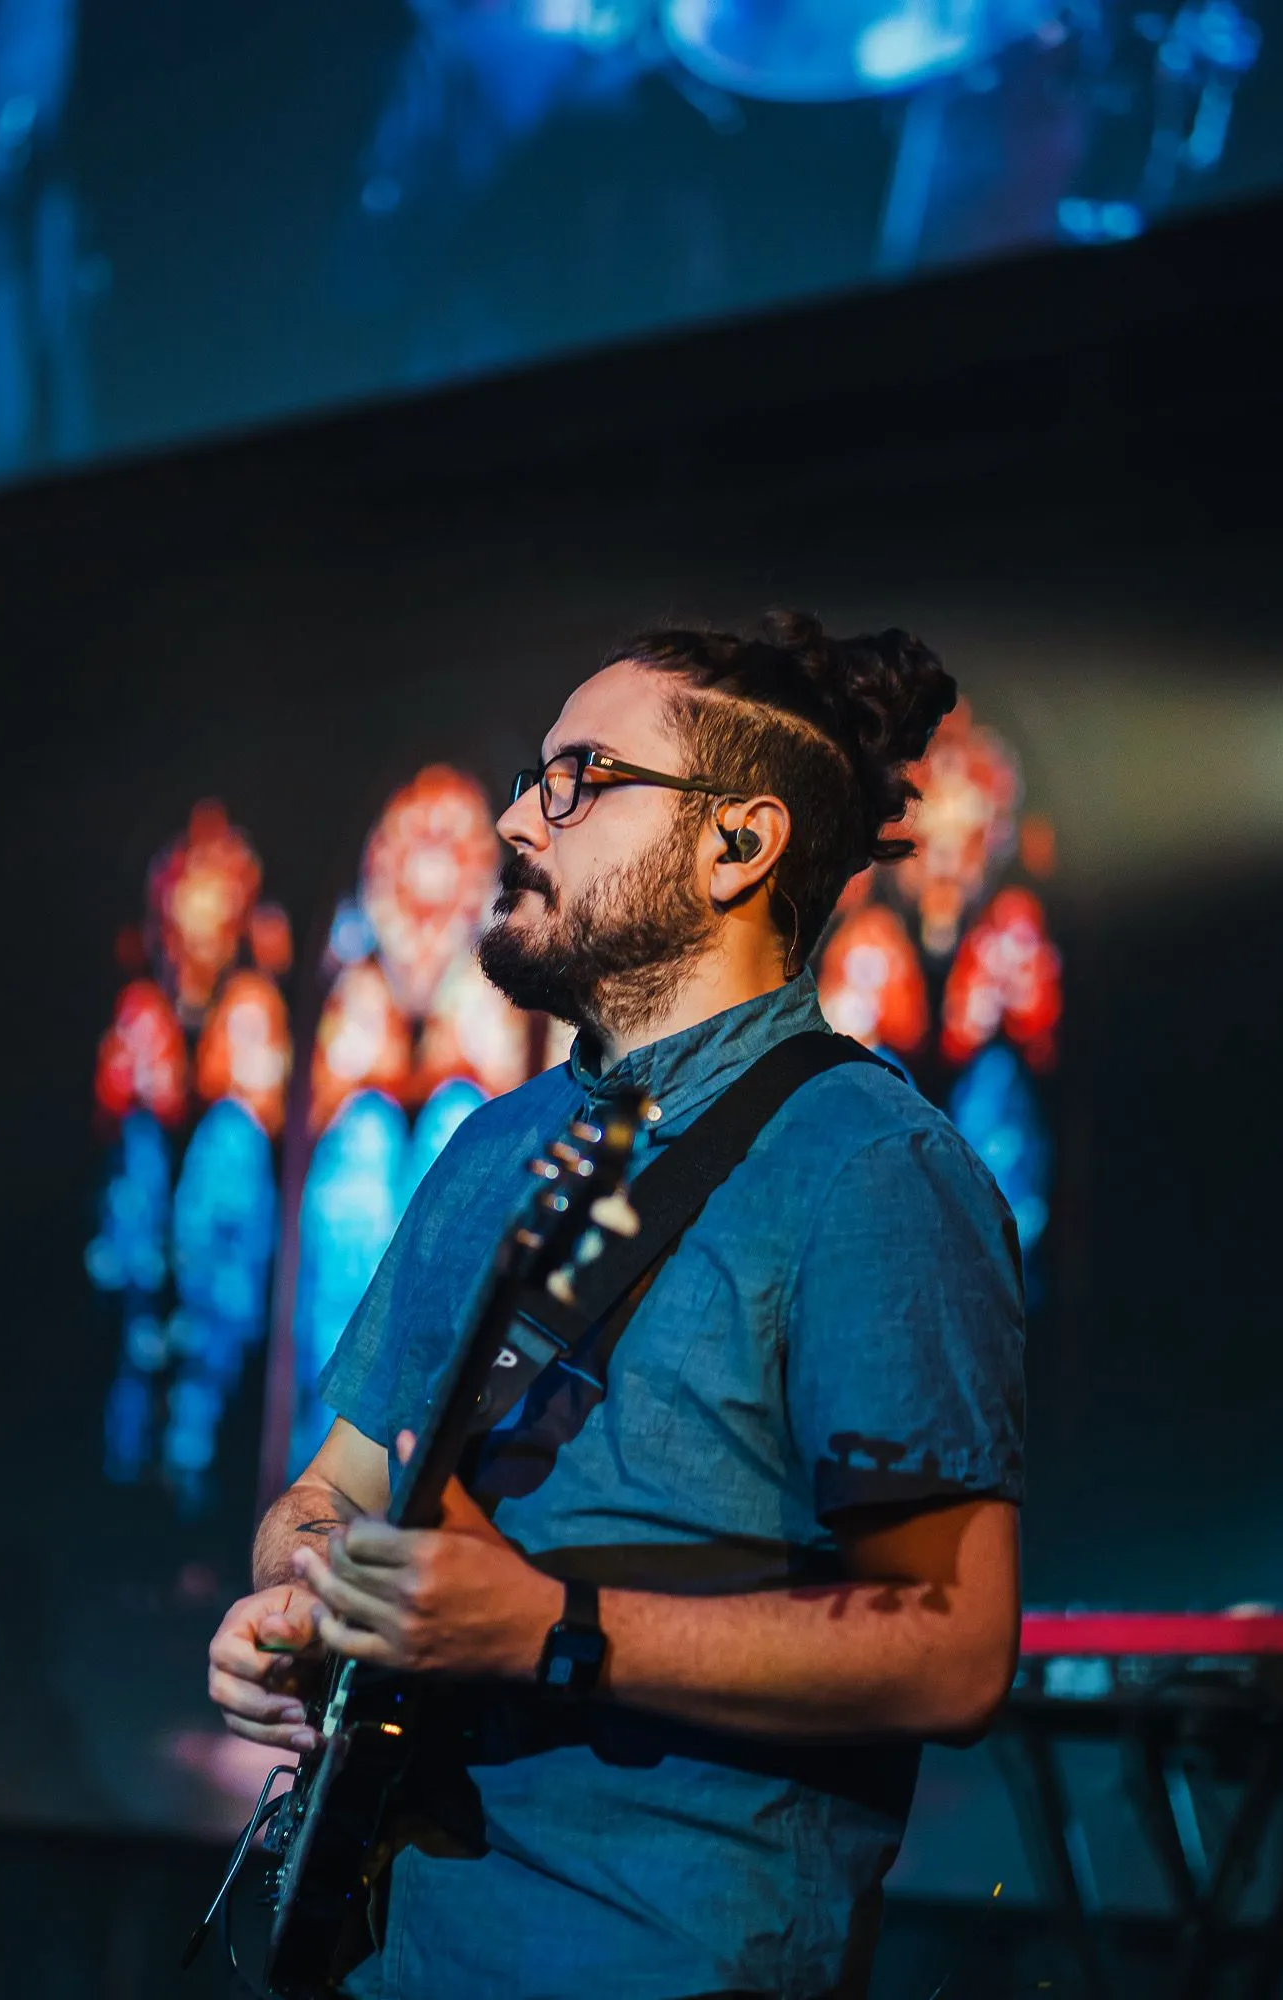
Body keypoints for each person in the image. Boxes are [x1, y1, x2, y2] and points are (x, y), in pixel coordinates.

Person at [209, 612, 1026, 2000]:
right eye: (534, 776)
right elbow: (330, 1490)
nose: (518, 817)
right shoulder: (490, 1145)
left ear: (737, 844)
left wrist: (548, 1627)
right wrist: (301, 1598)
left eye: (580, 778)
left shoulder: (874, 1169)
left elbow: (953, 1650)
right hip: (394, 1956)